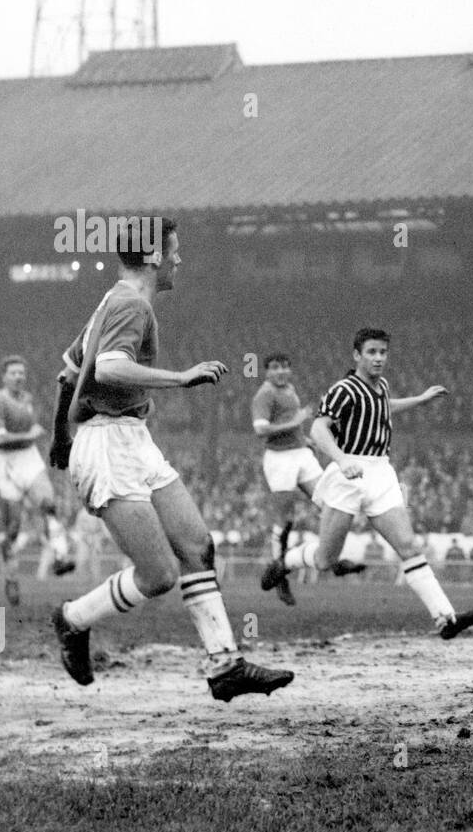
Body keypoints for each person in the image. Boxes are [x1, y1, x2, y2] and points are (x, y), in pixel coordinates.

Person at [48, 219, 293, 702]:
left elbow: (68, 373)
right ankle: (72, 619)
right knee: (158, 576)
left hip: (132, 438)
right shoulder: (132, 304)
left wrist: (59, 435)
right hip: (108, 443)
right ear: (156, 257)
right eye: (175, 251)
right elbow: (107, 368)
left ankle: (225, 666)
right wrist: (183, 377)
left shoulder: (111, 301)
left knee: (197, 545)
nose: (179, 259)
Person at [260, 328, 473, 639]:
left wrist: (420, 399)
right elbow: (319, 429)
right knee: (325, 559)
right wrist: (341, 459)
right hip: (348, 473)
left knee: (408, 545)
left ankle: (445, 618)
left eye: (383, 352)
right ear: (357, 355)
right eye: (372, 352)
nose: (378, 358)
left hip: (380, 472)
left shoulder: (381, 387)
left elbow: (382, 407)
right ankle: (285, 562)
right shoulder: (344, 389)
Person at [250, 352, 362, 605]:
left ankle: (332, 560)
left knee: (331, 501)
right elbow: (260, 429)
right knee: (285, 518)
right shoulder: (264, 394)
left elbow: (290, 425)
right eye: (275, 368)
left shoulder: (289, 389)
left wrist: (304, 438)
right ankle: (280, 576)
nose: (281, 372)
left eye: (285, 367)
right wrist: (296, 422)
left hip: (301, 453)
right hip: (279, 460)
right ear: (267, 371)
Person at [0, 355, 75, 604]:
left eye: (21, 373)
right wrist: (29, 434)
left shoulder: (27, 399)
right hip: (6, 464)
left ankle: (60, 556)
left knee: (49, 504)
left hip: (28, 458)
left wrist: (30, 436)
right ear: (4, 377)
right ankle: (11, 579)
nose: (18, 377)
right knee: (12, 529)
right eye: (13, 373)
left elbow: (33, 432)